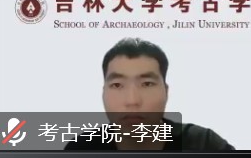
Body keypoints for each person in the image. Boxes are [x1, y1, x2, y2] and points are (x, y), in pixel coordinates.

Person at [63, 40, 234, 152]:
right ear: (103, 93)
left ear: (166, 91)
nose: (132, 101)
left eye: (147, 84)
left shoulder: (203, 145)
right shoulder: (82, 150)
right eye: (117, 85)